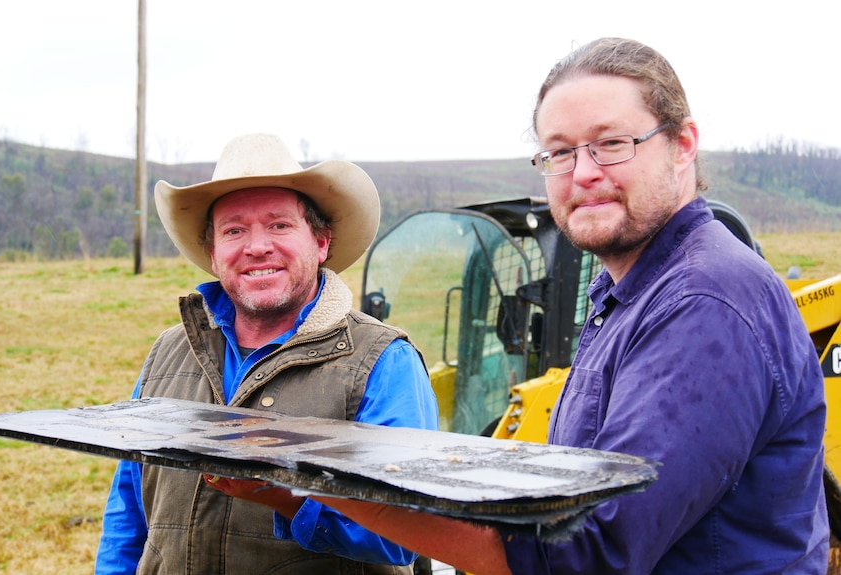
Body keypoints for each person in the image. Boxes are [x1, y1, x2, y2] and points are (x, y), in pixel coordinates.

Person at [211, 38, 830, 574]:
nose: (582, 172)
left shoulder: (702, 303)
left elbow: (587, 554)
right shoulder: (627, 293)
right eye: (559, 152)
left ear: (683, 144)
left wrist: (314, 476)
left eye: (610, 143)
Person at [94, 133, 439, 575]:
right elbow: (128, 510)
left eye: (279, 225)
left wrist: (285, 495)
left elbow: (409, 529)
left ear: (321, 243)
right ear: (214, 254)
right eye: (234, 230)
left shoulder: (383, 361)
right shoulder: (168, 351)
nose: (256, 246)